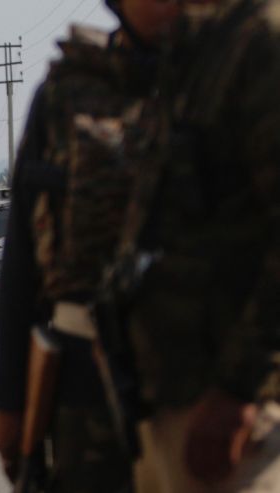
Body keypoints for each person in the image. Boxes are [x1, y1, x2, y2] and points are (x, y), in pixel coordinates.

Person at [0, 0, 178, 490]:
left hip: (211, 387)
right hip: (86, 382)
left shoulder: (239, 79)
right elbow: (24, 261)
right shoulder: (67, 94)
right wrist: (10, 403)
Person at [111, 0, 280, 490]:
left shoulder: (261, 42)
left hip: (243, 420)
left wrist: (239, 390)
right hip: (176, 400)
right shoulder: (194, 51)